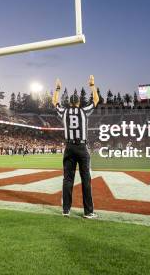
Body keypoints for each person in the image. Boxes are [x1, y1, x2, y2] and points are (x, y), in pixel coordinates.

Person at [53, 75, 100, 219]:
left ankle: (66, 209)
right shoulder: (83, 111)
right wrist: (92, 85)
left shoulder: (64, 111)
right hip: (81, 147)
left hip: (69, 147)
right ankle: (88, 212)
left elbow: (54, 102)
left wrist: (58, 88)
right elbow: (96, 100)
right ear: (79, 102)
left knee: (67, 179)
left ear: (70, 103)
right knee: (86, 178)